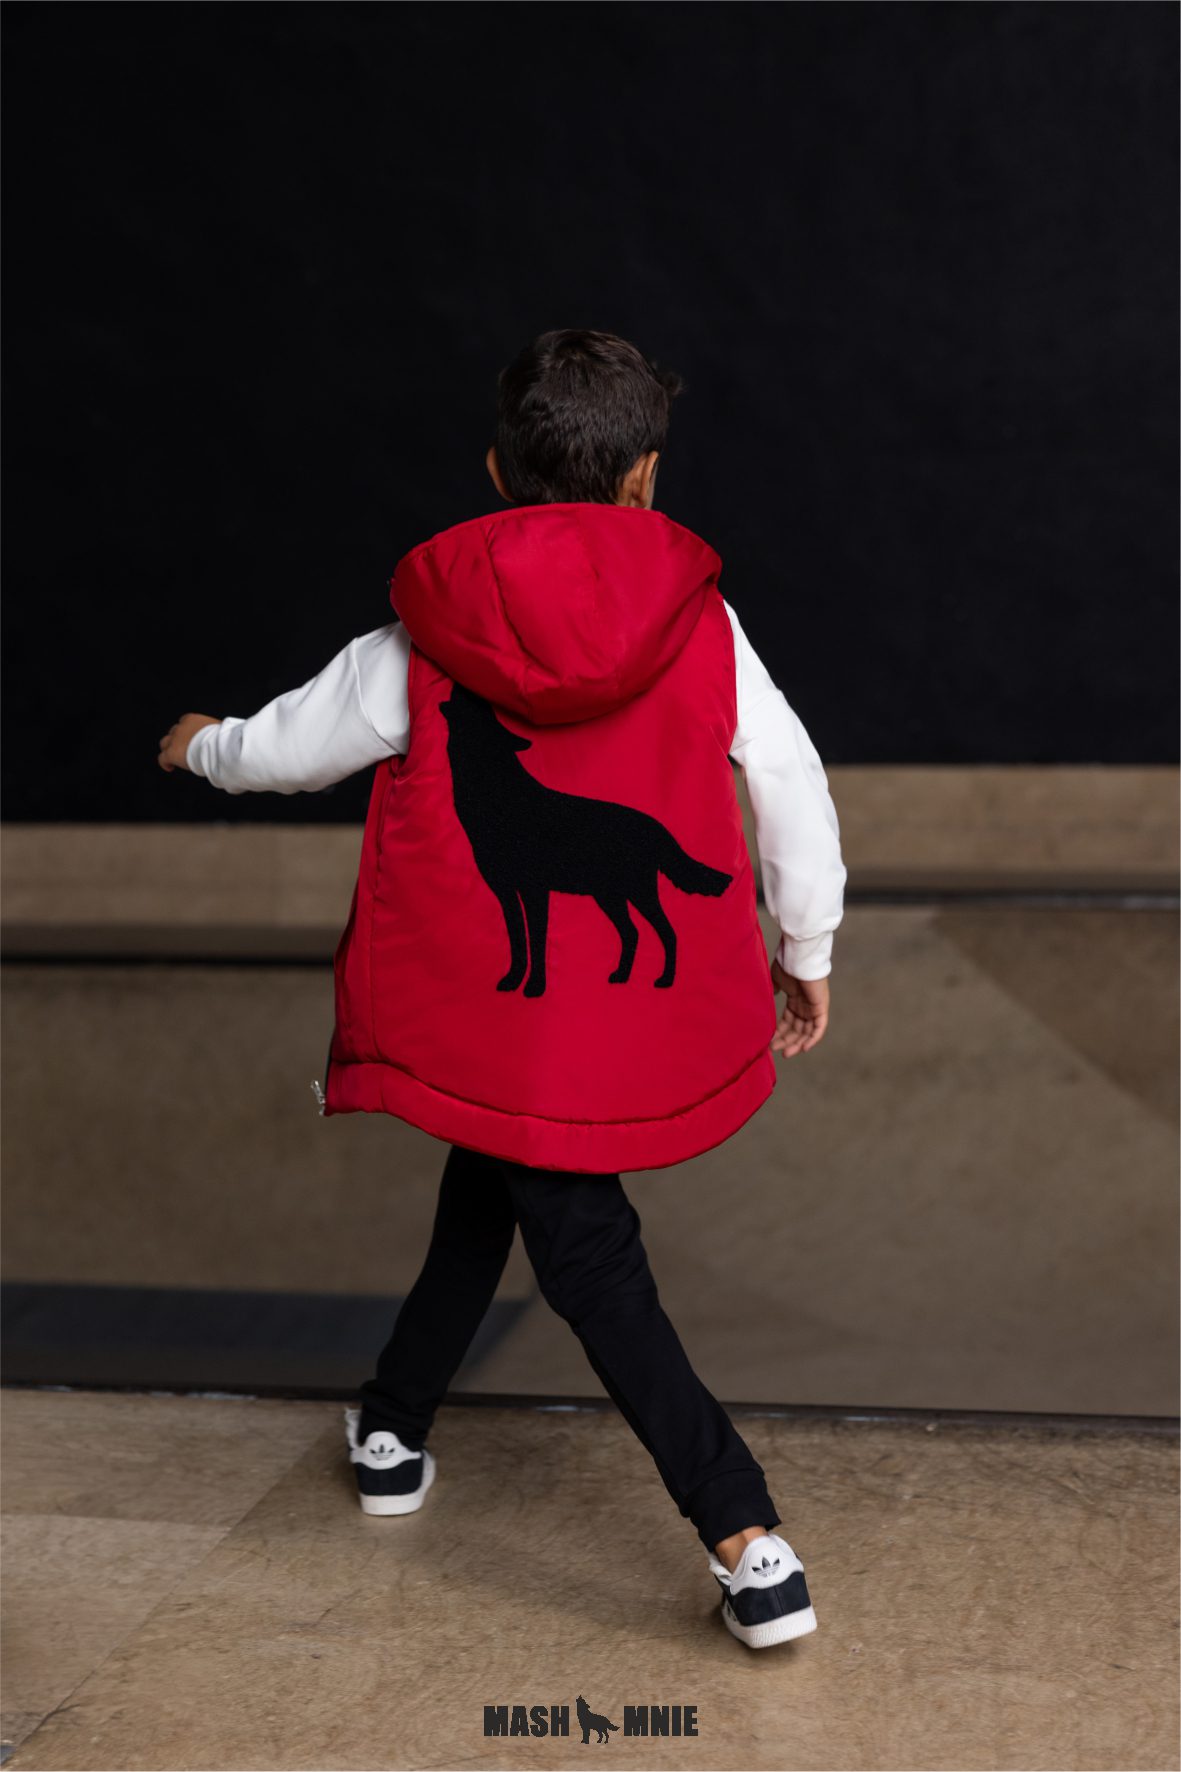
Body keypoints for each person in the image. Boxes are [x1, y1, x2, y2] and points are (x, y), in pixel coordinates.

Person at [157, 329, 846, 1651]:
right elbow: (791, 788)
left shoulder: (424, 637)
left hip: (487, 1012)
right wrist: (803, 951)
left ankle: (667, 1509)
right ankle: (730, 1538)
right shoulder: (705, 626)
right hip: (620, 1026)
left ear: (493, 470)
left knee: (532, 1220)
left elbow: (292, 749)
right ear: (647, 476)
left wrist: (202, 749)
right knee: (556, 1231)